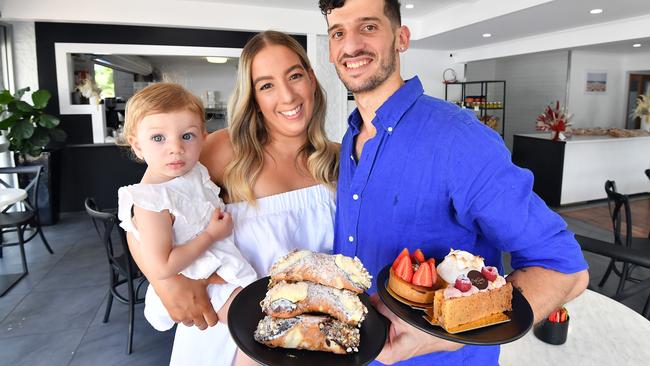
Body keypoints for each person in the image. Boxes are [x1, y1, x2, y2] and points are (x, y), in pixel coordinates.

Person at [317, 0, 590, 365]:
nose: (350, 46)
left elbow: (564, 269)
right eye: (338, 32)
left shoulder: (459, 139)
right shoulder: (350, 138)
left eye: (368, 27)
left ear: (401, 38)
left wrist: (445, 338)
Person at [125, 31, 339, 365]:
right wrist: (165, 281)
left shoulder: (340, 160)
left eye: (295, 76)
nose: (286, 96)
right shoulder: (223, 150)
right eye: (266, 85)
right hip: (226, 333)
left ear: (311, 79)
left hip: (312, 339)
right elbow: (145, 210)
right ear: (253, 96)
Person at [116, 83, 258, 332]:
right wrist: (211, 235)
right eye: (158, 138)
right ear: (137, 145)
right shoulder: (151, 202)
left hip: (217, 267)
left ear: (203, 137)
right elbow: (163, 266)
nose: (176, 148)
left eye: (187, 136)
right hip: (196, 279)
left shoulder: (192, 173)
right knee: (252, 324)